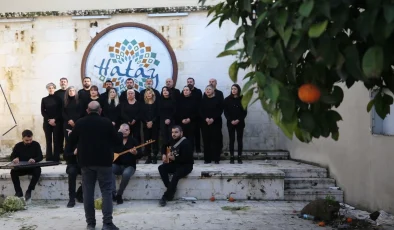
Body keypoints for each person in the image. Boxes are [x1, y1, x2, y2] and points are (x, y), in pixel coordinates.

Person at [67, 101, 119, 230]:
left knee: (88, 193)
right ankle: (107, 223)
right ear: (100, 110)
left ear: (87, 110)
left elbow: (71, 141)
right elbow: (117, 142)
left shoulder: (80, 123)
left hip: (86, 163)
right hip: (104, 162)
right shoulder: (107, 122)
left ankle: (90, 224)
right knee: (106, 192)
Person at [158, 126, 193, 207]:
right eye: (172, 132)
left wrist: (174, 158)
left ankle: (165, 197)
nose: (174, 134)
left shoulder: (186, 143)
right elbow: (164, 146)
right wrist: (163, 154)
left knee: (176, 175)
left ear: (181, 133)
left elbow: (187, 159)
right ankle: (171, 188)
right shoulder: (172, 141)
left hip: (186, 165)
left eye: (176, 132)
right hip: (176, 164)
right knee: (161, 168)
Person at [9, 130, 43, 201]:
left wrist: (34, 159)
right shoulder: (18, 146)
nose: (29, 142)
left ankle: (29, 190)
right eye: (27, 140)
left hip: (32, 167)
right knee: (13, 172)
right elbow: (11, 157)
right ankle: (18, 192)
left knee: (38, 170)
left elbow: (40, 156)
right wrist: (15, 159)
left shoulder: (36, 144)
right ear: (23, 138)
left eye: (30, 140)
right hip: (22, 168)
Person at [112, 123, 141, 204]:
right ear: (119, 131)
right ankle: (112, 193)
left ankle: (119, 195)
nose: (125, 132)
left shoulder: (134, 141)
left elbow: (141, 154)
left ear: (129, 131)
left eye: (127, 130)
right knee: (109, 169)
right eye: (122, 130)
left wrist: (135, 153)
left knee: (126, 174)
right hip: (117, 165)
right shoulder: (116, 141)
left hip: (129, 166)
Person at [224, 84, 247, 164]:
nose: (233, 90)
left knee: (239, 140)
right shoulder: (227, 99)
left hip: (240, 123)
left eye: (235, 89)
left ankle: (239, 157)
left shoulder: (243, 99)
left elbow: (244, 112)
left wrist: (238, 120)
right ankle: (232, 157)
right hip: (230, 123)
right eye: (232, 89)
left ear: (238, 90)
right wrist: (231, 120)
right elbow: (225, 112)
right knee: (232, 139)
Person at [200, 85, 223, 164]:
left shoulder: (217, 99)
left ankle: (216, 158)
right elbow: (200, 111)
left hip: (215, 122)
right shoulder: (202, 100)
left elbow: (220, 110)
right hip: (205, 123)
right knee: (206, 141)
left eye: (209, 89)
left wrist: (213, 118)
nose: (208, 90)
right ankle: (207, 159)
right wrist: (206, 118)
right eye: (206, 89)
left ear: (213, 90)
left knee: (216, 141)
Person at [41, 82, 63, 162]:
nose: (51, 89)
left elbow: (61, 111)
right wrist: (49, 120)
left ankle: (56, 157)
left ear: (54, 88)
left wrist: (55, 120)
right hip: (47, 123)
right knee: (48, 140)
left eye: (52, 88)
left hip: (57, 122)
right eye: (49, 88)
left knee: (56, 140)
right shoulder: (44, 99)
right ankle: (49, 157)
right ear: (47, 89)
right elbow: (43, 112)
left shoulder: (58, 99)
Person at [141, 89, 159, 164]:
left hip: (155, 125)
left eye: (150, 93)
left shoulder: (156, 103)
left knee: (155, 140)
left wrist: (152, 122)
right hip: (146, 125)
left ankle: (154, 156)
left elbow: (158, 114)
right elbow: (141, 114)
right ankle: (148, 157)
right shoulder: (143, 104)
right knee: (147, 141)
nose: (148, 94)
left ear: (153, 95)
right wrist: (146, 122)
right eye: (147, 93)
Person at [187, 78, 202, 153]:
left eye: (191, 82)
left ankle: (198, 149)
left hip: (196, 116)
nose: (189, 83)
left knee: (197, 133)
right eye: (188, 82)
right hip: (187, 117)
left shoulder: (198, 91)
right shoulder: (184, 91)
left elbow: (200, 104)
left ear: (194, 83)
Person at [54, 77, 68, 153]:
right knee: (59, 136)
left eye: (64, 81)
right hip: (59, 117)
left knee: (67, 136)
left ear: (67, 83)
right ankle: (59, 153)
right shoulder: (56, 93)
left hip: (67, 117)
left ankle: (67, 153)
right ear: (60, 83)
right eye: (61, 82)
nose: (63, 83)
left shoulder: (70, 92)